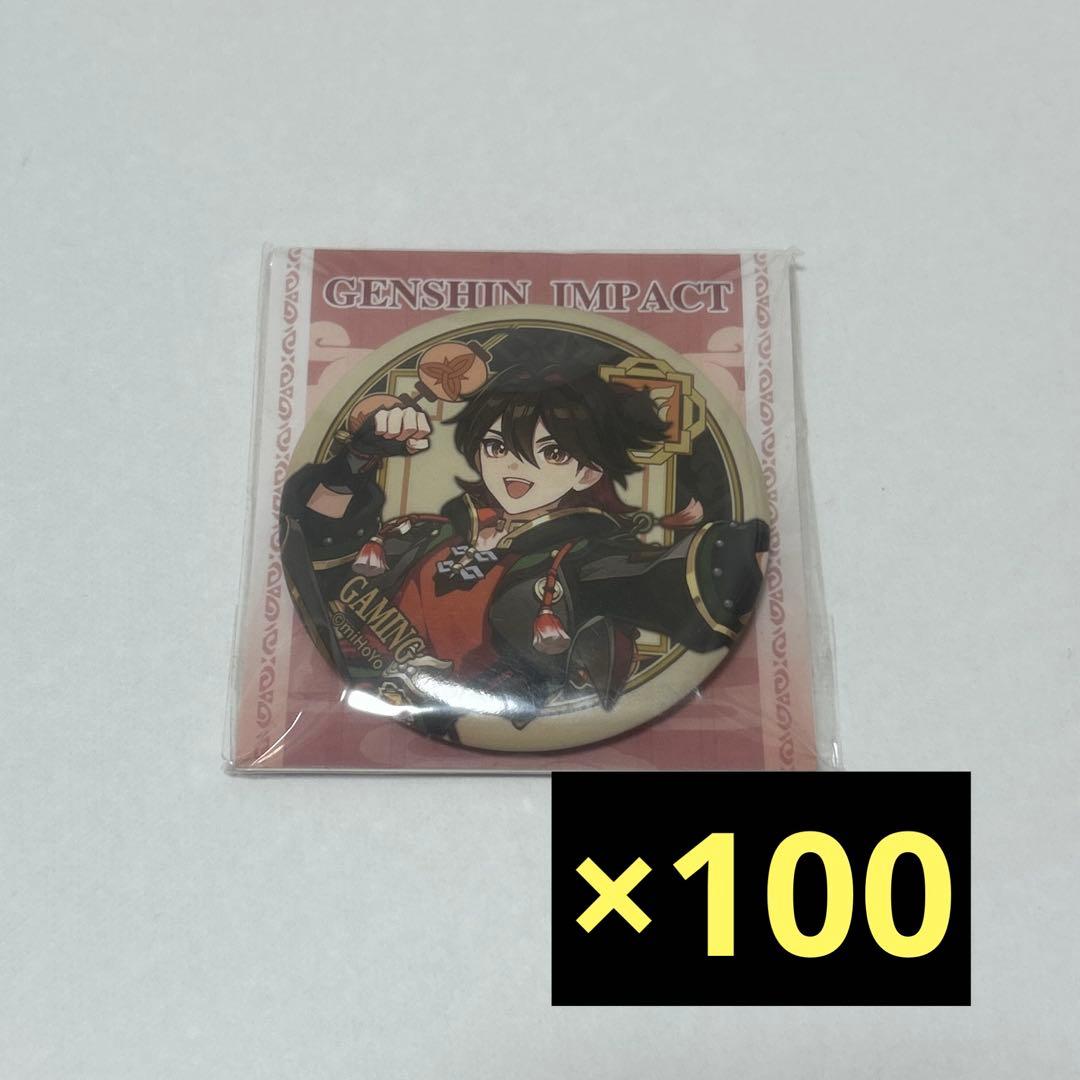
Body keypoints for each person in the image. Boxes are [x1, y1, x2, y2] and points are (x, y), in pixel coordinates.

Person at [281, 349, 768, 738]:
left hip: (451, 729)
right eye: (497, 446)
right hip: (354, 701)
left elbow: (679, 578)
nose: (515, 466)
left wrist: (740, 547)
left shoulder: (579, 562)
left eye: (551, 452)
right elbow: (317, 556)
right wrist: (356, 460)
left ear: (587, 472)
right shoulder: (423, 531)